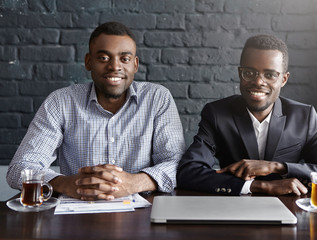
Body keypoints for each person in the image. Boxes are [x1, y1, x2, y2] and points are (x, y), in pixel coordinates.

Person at [7, 22, 185, 201]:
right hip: (76, 213)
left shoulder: (157, 98)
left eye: (124, 59)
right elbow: (20, 168)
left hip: (143, 214)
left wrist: (133, 183)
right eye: (104, 58)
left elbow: (177, 164)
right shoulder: (60, 102)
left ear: (135, 65)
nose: (115, 67)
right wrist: (66, 183)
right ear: (88, 62)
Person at [177, 34, 317, 196]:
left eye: (270, 74)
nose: (258, 82)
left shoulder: (303, 117)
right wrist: (259, 186)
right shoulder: (217, 114)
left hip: (290, 212)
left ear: (283, 79)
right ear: (240, 74)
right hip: (236, 213)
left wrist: (277, 167)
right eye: (249, 73)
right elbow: (188, 172)